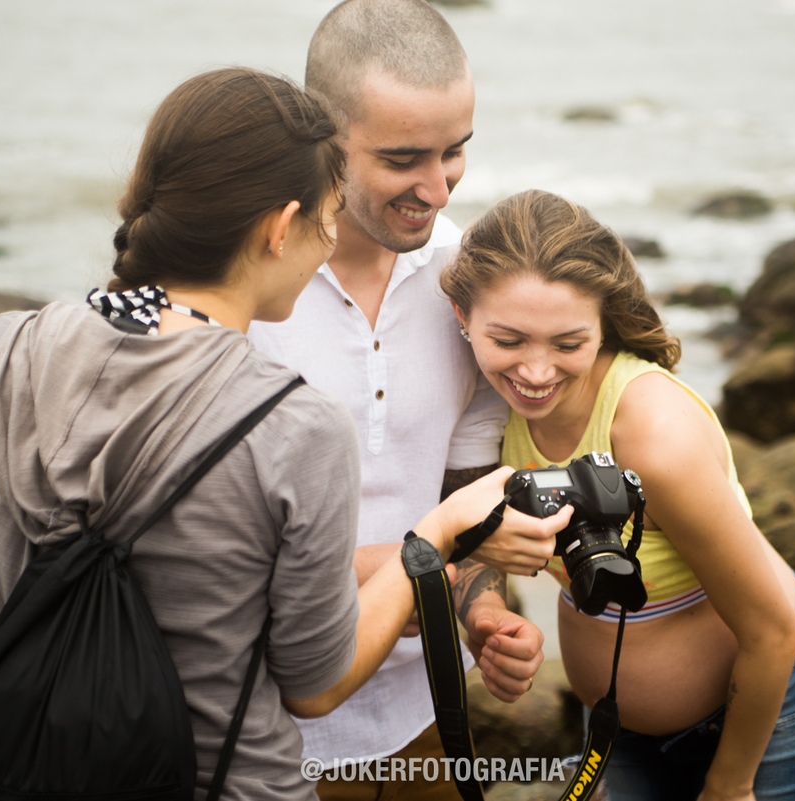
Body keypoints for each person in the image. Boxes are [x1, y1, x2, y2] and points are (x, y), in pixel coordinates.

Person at [0, 68, 518, 801]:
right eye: (324, 220)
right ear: (278, 228)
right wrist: (437, 534)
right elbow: (318, 683)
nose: (328, 246)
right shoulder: (296, 425)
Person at [247, 2, 570, 798]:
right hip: (260, 733)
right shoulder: (244, 283)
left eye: (456, 150)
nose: (437, 186)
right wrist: (437, 554)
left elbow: (460, 504)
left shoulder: (472, 282)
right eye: (402, 158)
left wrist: (483, 614)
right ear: (322, 137)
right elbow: (218, 550)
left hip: (425, 720)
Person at [441, 190, 795, 801]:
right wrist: (488, 616)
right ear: (461, 317)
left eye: (567, 344)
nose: (534, 371)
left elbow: (770, 627)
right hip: (616, 721)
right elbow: (465, 529)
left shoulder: (654, 439)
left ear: (604, 323)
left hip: (769, 700)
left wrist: (730, 785)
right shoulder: (479, 407)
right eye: (509, 340)